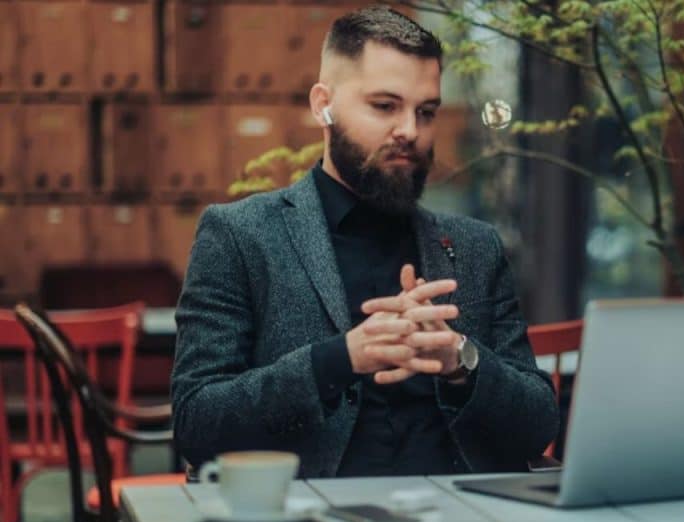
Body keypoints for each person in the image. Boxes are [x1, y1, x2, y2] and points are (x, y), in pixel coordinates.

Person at [171, 7, 559, 478]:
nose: (410, 131)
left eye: (426, 111)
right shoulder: (240, 235)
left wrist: (461, 360)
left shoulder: (474, 247)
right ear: (323, 105)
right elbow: (197, 422)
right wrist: (337, 360)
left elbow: (539, 423)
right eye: (384, 106)